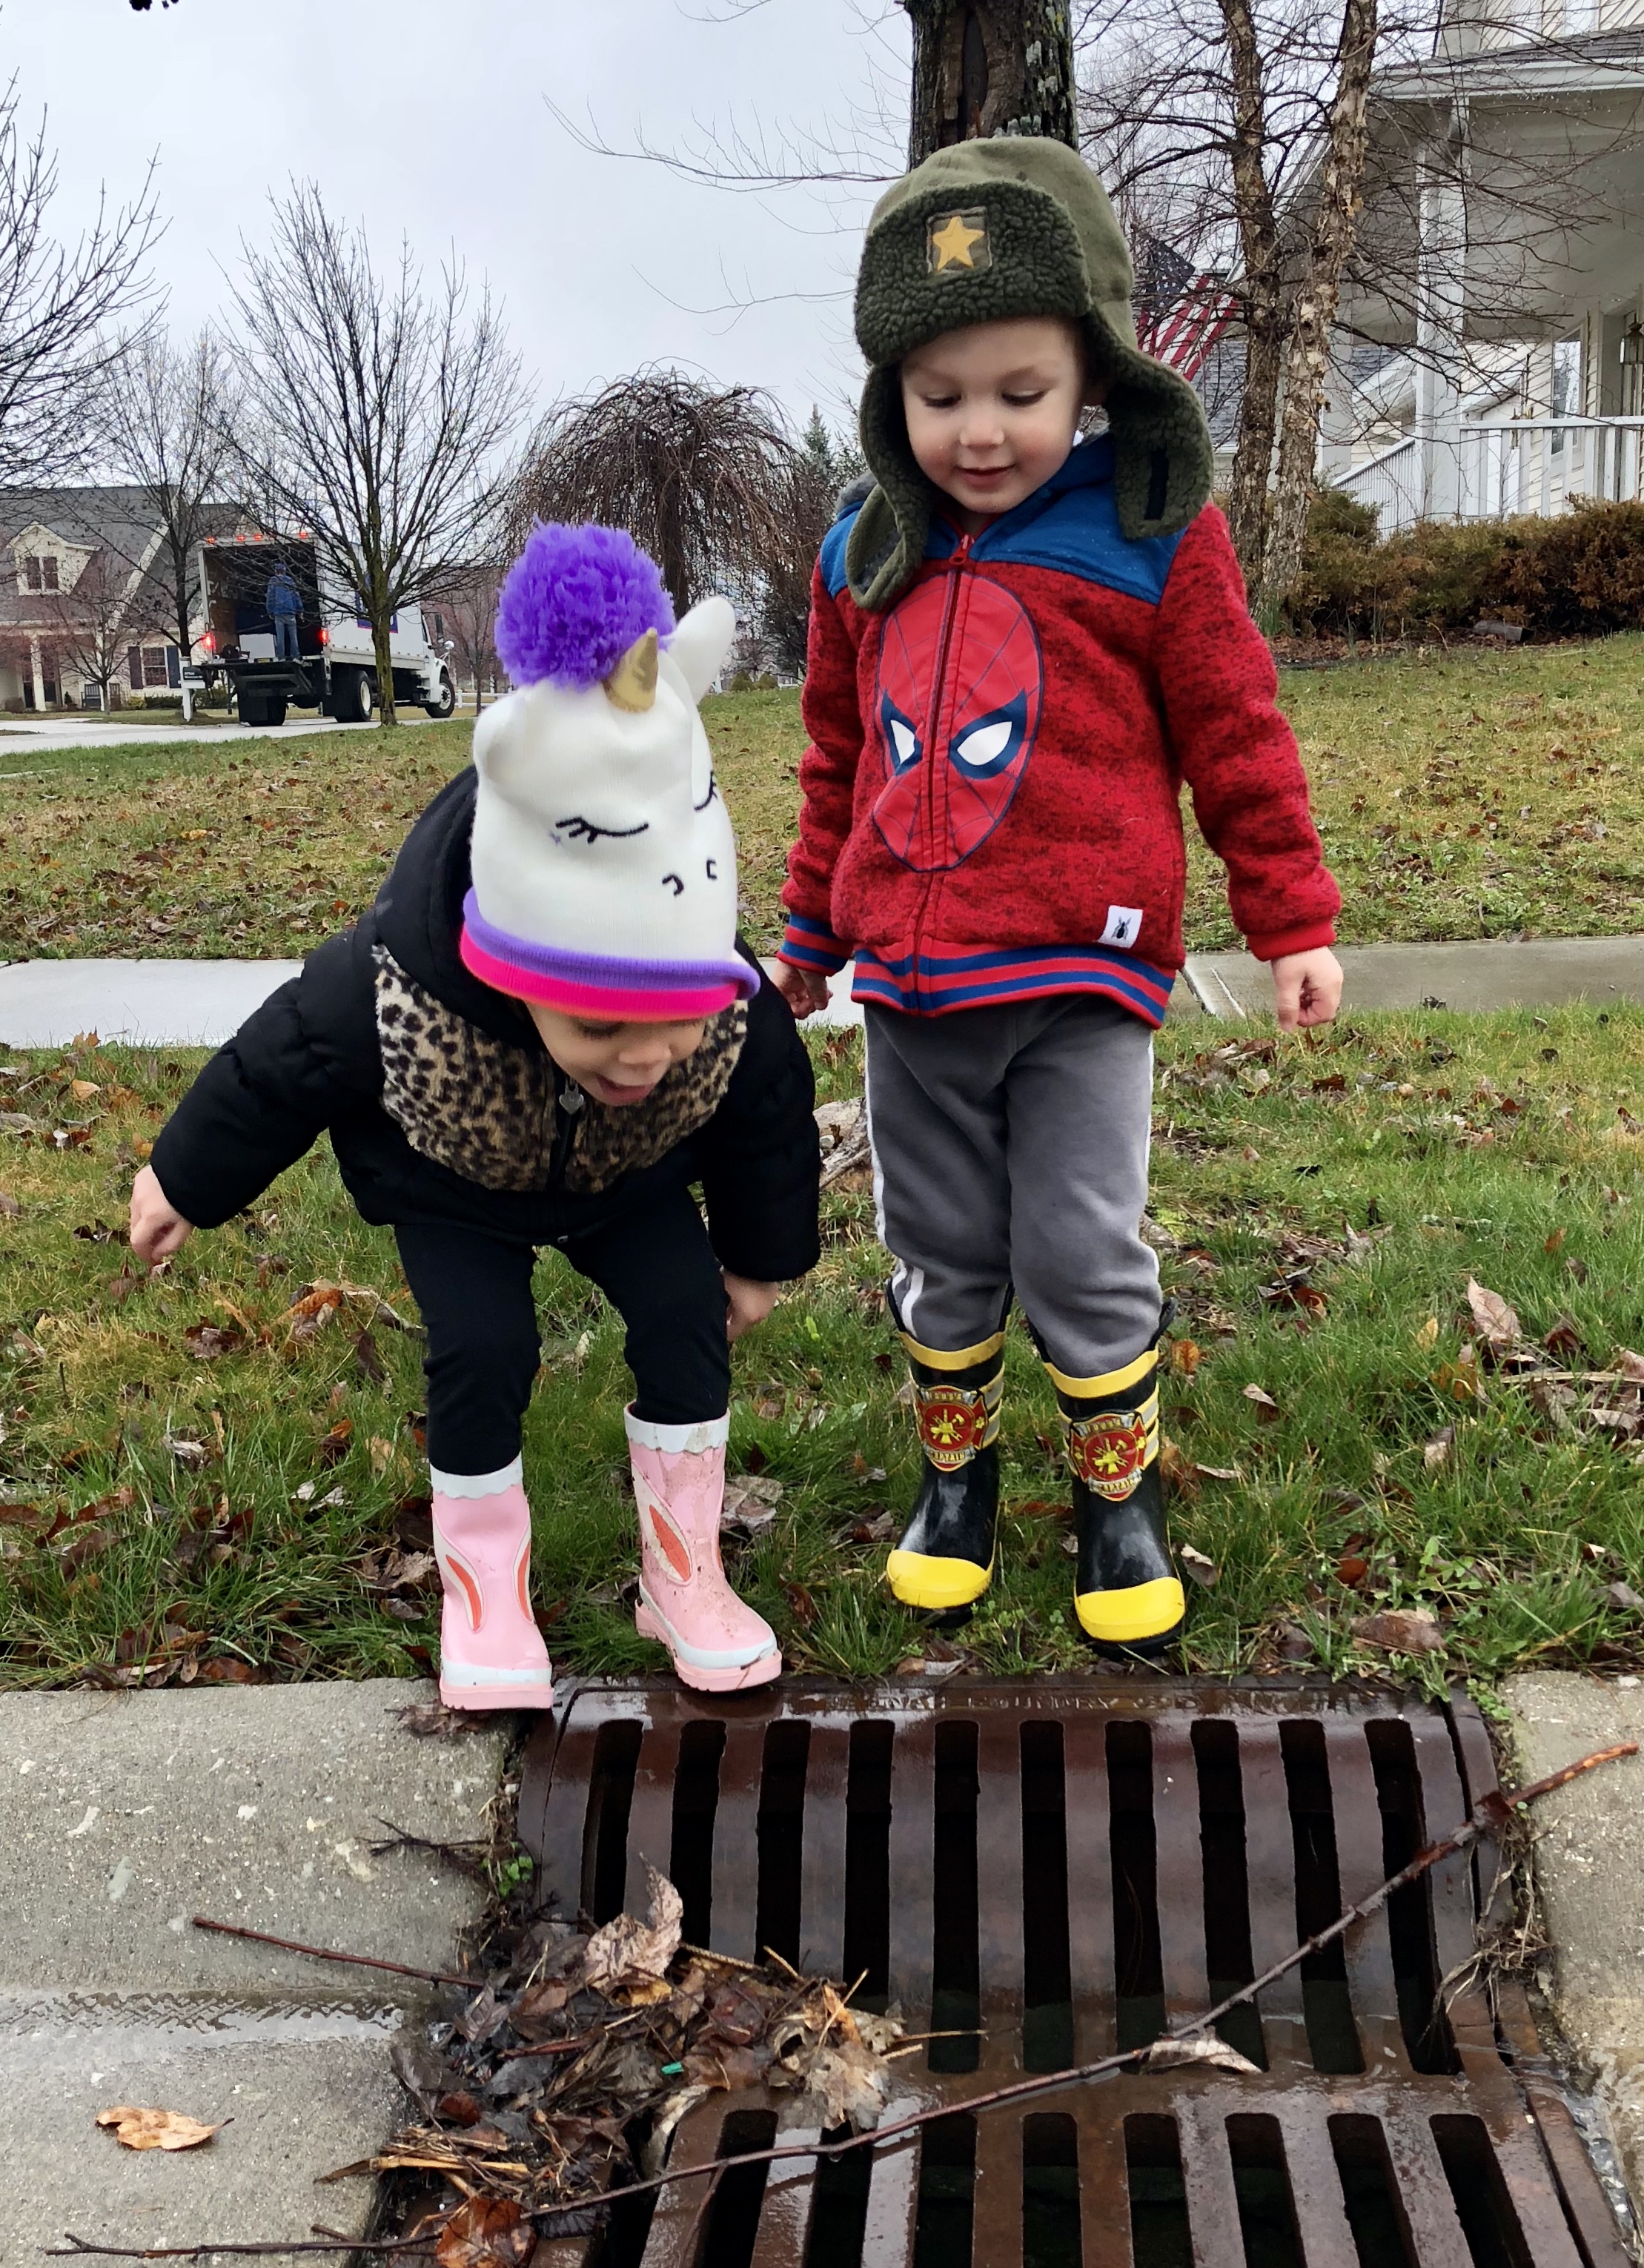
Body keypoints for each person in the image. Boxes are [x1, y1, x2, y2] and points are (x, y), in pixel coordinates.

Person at [773, 137, 1342, 1658]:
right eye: (938, 394)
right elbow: (840, 761)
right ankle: (954, 1489)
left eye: (1019, 394)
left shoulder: (1153, 531)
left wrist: (1288, 916)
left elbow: (1235, 732)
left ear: (1088, 373)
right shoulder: (862, 554)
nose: (977, 432)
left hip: (1086, 986)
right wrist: (806, 930)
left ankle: (1117, 1503)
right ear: (892, 387)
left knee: (1083, 1250)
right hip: (912, 993)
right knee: (942, 1249)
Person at [130, 524, 821, 1707]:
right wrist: (183, 1180)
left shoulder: (720, 1004)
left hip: (627, 1183)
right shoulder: (395, 985)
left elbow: (766, 1114)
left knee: (680, 1309)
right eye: (602, 1028)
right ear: (513, 968)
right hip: (452, 1184)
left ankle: (682, 1567)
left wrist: (758, 1258)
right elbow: (277, 1064)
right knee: (484, 1346)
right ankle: (486, 1585)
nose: (644, 1056)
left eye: (670, 1025)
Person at [265, 561, 302, 663]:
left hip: (278, 612)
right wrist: (300, 610)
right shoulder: (290, 581)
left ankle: (281, 657)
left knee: (280, 637)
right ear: (285, 571)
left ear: (276, 571)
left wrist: (270, 611)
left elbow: (270, 597)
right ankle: (295, 656)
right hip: (290, 611)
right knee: (293, 637)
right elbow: (296, 596)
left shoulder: (273, 581)